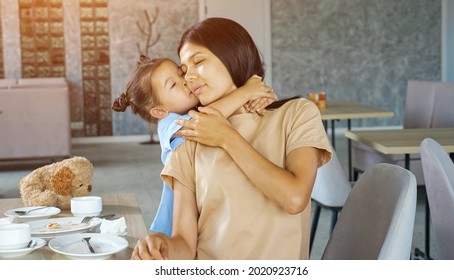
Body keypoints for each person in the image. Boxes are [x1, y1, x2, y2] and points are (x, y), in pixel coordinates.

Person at [131, 17, 332, 260]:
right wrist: (162, 245)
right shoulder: (190, 136)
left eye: (199, 62)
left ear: (232, 54)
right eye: (184, 70)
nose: (189, 77)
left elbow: (294, 198)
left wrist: (226, 137)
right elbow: (184, 243)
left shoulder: (297, 114)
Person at [112, 55, 276, 237]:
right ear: (160, 111)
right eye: (173, 85)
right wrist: (245, 92)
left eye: (181, 74)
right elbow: (205, 121)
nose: (185, 81)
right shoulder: (167, 125)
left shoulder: (199, 104)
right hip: (179, 225)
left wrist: (258, 97)